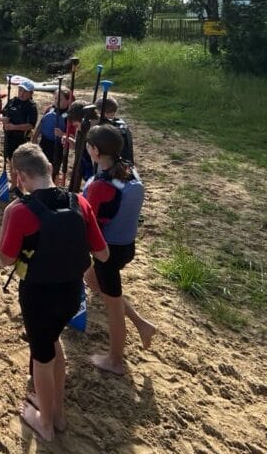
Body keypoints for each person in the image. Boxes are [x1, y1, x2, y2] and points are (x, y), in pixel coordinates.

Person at [0, 143, 109, 441]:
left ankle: (46, 423)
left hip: (38, 296)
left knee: (42, 355)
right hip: (72, 293)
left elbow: (6, 259)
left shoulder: (20, 211)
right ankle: (56, 411)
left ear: (20, 177)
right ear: (49, 168)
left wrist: (9, 218)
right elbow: (103, 254)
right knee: (53, 342)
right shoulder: (79, 202)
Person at [83, 124, 155, 375]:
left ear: (94, 150)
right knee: (91, 279)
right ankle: (141, 323)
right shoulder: (128, 169)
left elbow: (89, 221)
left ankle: (115, 360)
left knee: (113, 309)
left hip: (109, 251)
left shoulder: (102, 185)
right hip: (126, 244)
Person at [1, 79, 39, 186]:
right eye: (20, 90)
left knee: (21, 163)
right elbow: (3, 114)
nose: (21, 93)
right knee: (11, 160)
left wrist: (13, 127)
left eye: (25, 91)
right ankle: (14, 184)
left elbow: (31, 125)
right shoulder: (12, 101)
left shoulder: (31, 107)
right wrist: (4, 120)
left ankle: (21, 186)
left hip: (22, 138)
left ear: (31, 93)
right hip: (9, 137)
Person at [33, 88, 73, 179]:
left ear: (68, 100)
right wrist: (35, 137)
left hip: (57, 146)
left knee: (53, 171)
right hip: (44, 142)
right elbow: (41, 124)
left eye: (60, 99)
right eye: (55, 98)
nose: (57, 101)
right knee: (40, 166)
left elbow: (71, 136)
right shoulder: (50, 109)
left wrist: (62, 134)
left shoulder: (69, 115)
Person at [98, 97, 136, 165]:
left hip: (117, 167)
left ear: (103, 113)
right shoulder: (120, 123)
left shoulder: (113, 130)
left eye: (98, 114)